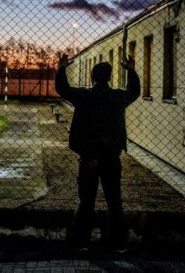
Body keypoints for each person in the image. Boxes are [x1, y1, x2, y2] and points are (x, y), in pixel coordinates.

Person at [55, 53, 140, 248]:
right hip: (111, 157)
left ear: (92, 77)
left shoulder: (84, 96)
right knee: (114, 201)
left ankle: (80, 241)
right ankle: (118, 243)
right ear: (109, 77)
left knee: (86, 201)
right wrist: (131, 71)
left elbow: (63, 88)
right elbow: (134, 92)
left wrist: (61, 69)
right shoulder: (117, 97)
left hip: (89, 157)